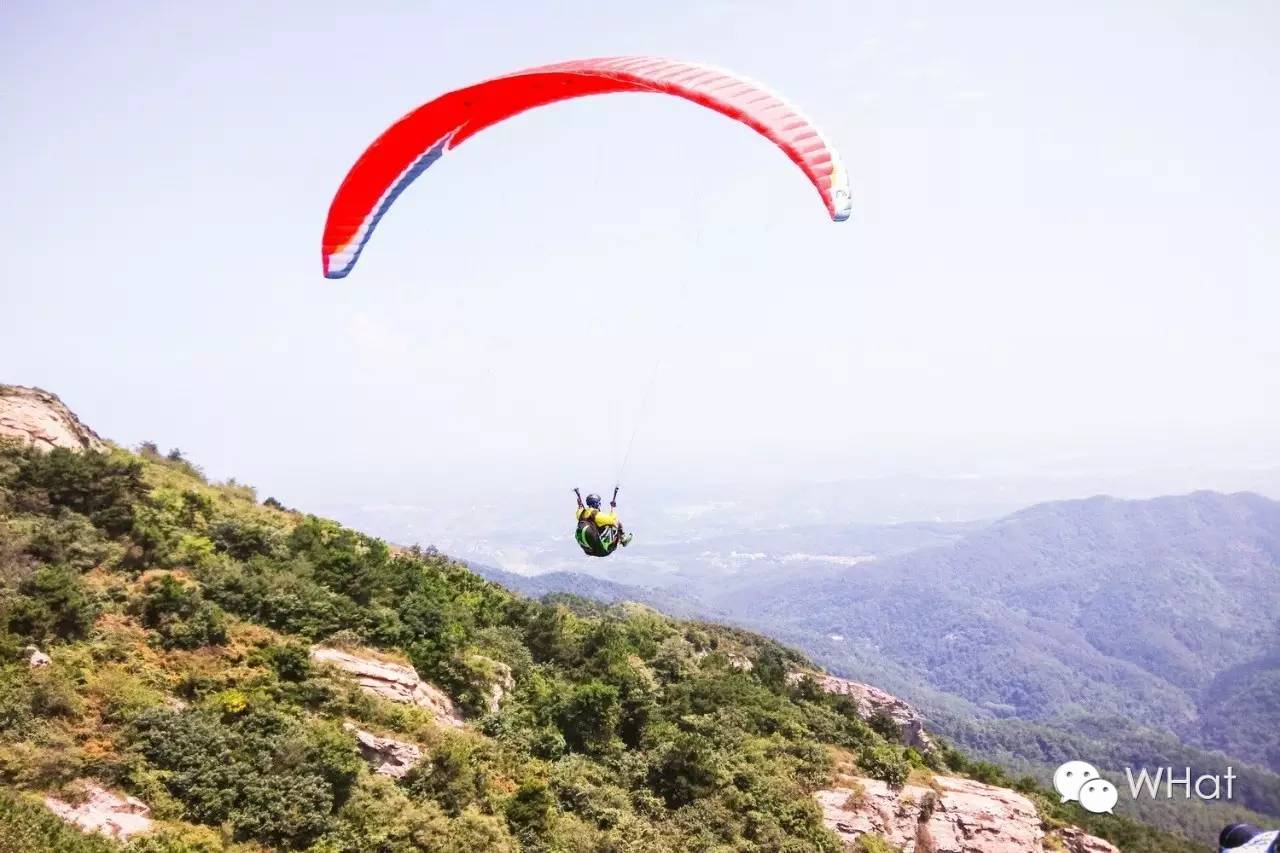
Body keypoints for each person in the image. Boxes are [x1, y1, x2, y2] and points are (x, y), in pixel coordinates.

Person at [575, 489, 633, 557]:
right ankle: (623, 539)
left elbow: (579, 509)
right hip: (603, 551)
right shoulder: (597, 515)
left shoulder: (581, 513)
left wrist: (579, 505)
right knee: (614, 525)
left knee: (599, 525)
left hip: (589, 551)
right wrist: (613, 509)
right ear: (597, 504)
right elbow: (613, 520)